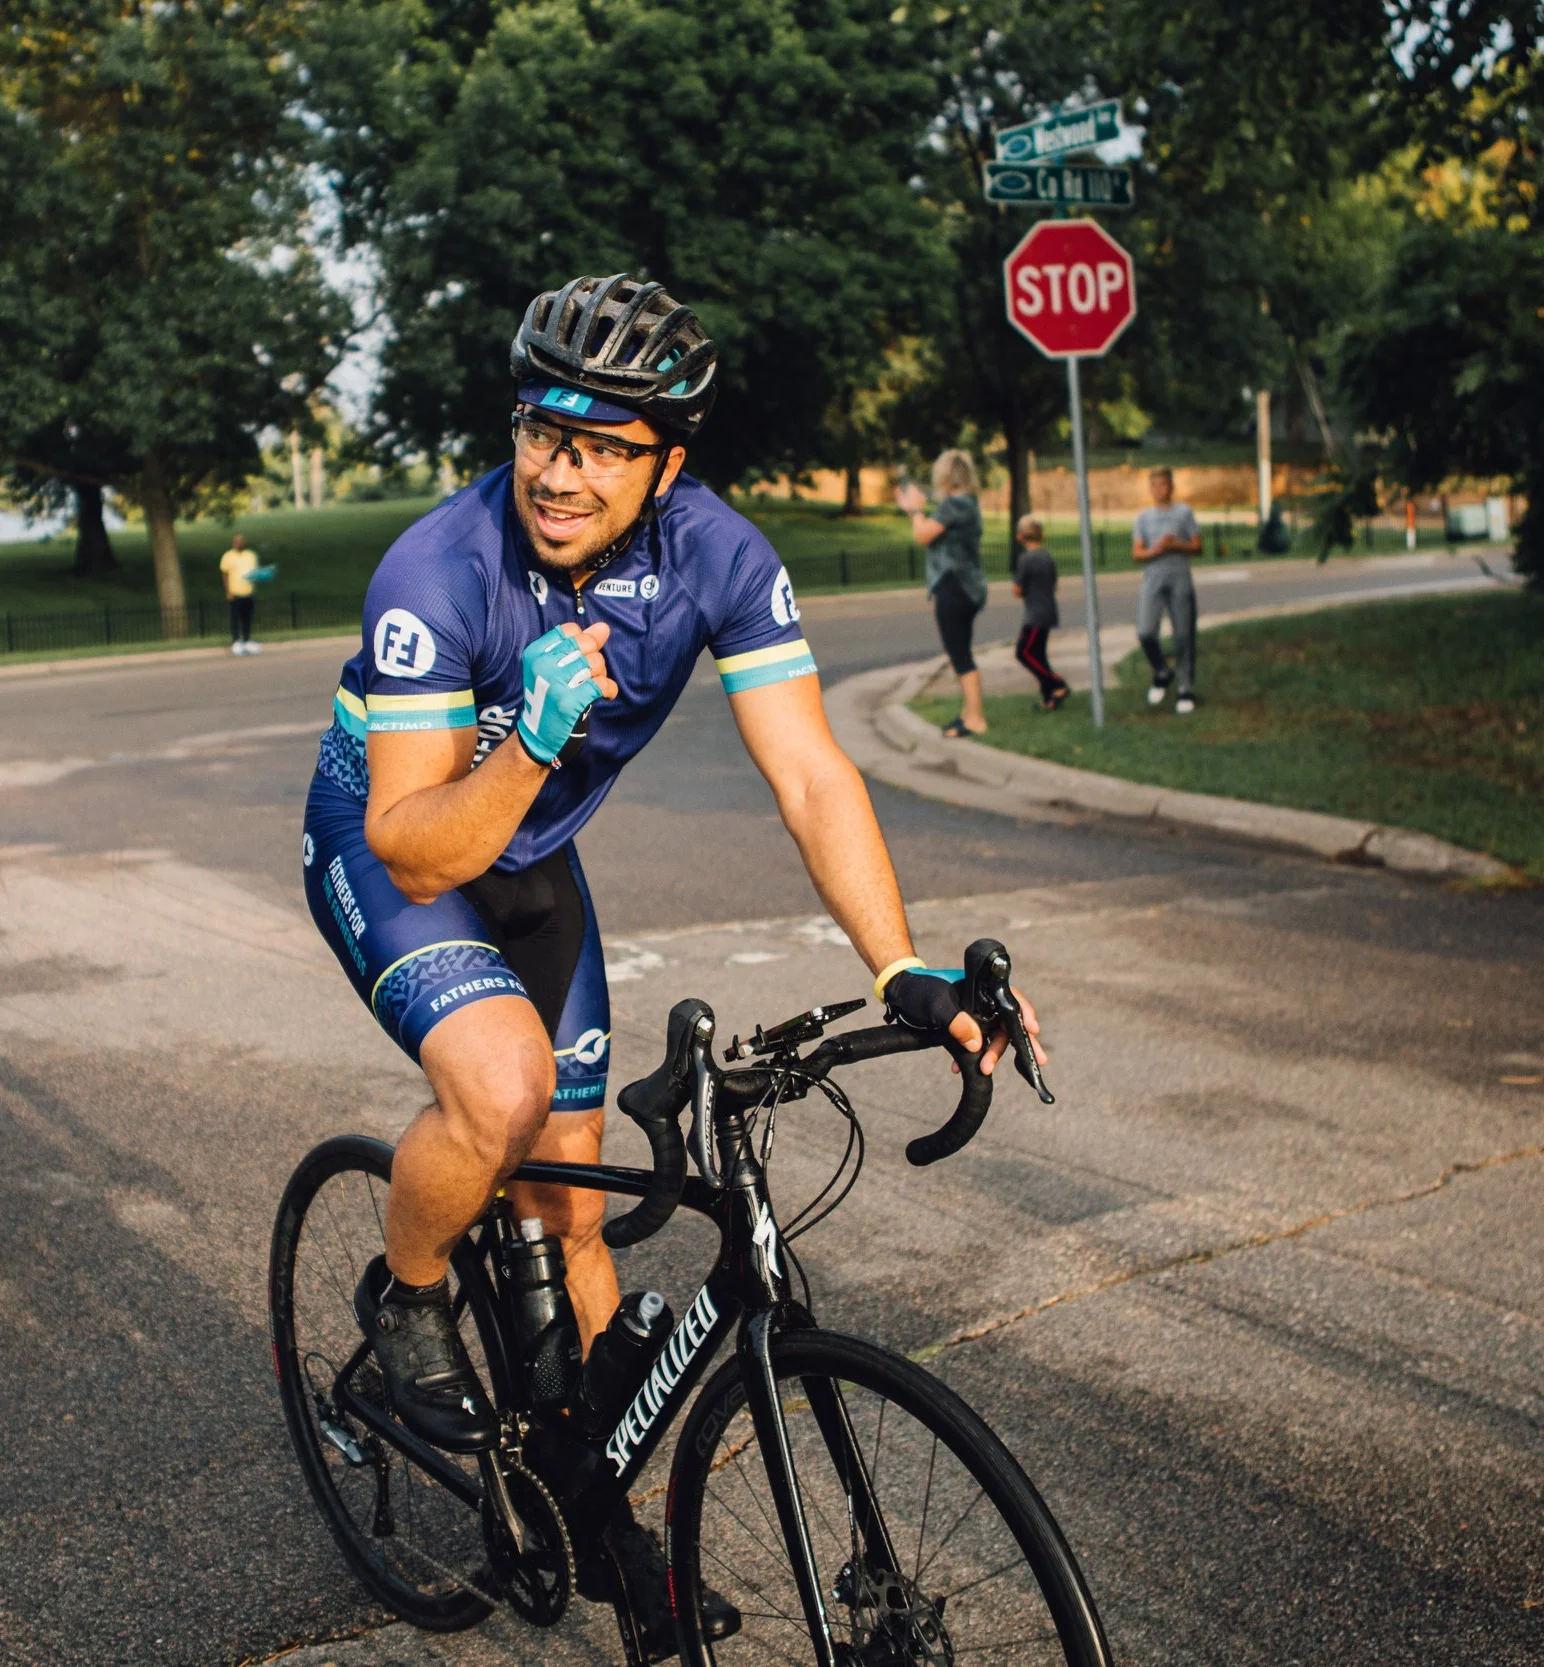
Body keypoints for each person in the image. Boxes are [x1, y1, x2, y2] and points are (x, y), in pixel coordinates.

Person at [299, 273, 1042, 1653]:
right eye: (540, 428)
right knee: (501, 1087)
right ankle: (403, 1288)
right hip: (390, 835)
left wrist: (900, 967)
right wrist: (526, 737)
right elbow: (413, 848)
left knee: (574, 1214)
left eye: (601, 443)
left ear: (669, 459)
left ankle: (601, 1521)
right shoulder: (438, 567)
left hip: (531, 866)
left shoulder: (719, 557)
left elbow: (814, 772)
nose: (558, 469)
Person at [894, 451, 988, 736]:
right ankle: (968, 712)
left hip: (955, 586)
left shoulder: (955, 505)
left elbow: (923, 535)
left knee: (959, 653)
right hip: (967, 586)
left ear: (945, 475)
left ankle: (975, 719)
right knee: (962, 651)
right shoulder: (966, 503)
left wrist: (915, 510)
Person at [1131, 466, 1202, 713]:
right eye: (1155, 485)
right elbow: (1137, 552)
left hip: (1180, 578)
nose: (1160, 490)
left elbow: (1197, 547)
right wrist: (1156, 550)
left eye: (1164, 485)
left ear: (1171, 487)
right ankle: (1161, 671)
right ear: (1150, 489)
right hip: (1153, 579)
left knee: (1183, 635)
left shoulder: (1184, 513)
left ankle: (1185, 688)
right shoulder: (1143, 518)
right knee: (1145, 631)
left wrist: (1176, 545)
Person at [1010, 515, 1070, 709]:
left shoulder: (1025, 559)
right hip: (1049, 611)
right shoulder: (1047, 557)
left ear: (1020, 537)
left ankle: (1057, 683)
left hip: (1034, 614)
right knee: (1039, 654)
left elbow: (1018, 590)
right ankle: (1049, 698)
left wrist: (1024, 589)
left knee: (1024, 653)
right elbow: (1054, 585)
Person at [221, 532, 262, 655]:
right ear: (233, 543)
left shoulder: (250, 555)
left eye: (241, 541)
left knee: (247, 618)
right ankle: (236, 642)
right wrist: (228, 591)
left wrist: (256, 578)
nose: (239, 543)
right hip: (235, 592)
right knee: (235, 618)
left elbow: (255, 571)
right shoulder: (228, 556)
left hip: (248, 592)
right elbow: (225, 574)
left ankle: (247, 640)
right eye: (237, 541)